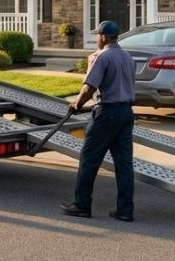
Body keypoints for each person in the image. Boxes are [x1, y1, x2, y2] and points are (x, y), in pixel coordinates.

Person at [61, 20, 135, 222]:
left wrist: (77, 103)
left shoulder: (102, 57)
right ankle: (125, 210)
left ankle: (81, 205)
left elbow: (89, 88)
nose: (97, 40)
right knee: (124, 164)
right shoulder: (128, 57)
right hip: (127, 113)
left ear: (103, 37)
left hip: (107, 114)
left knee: (89, 159)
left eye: (97, 37)